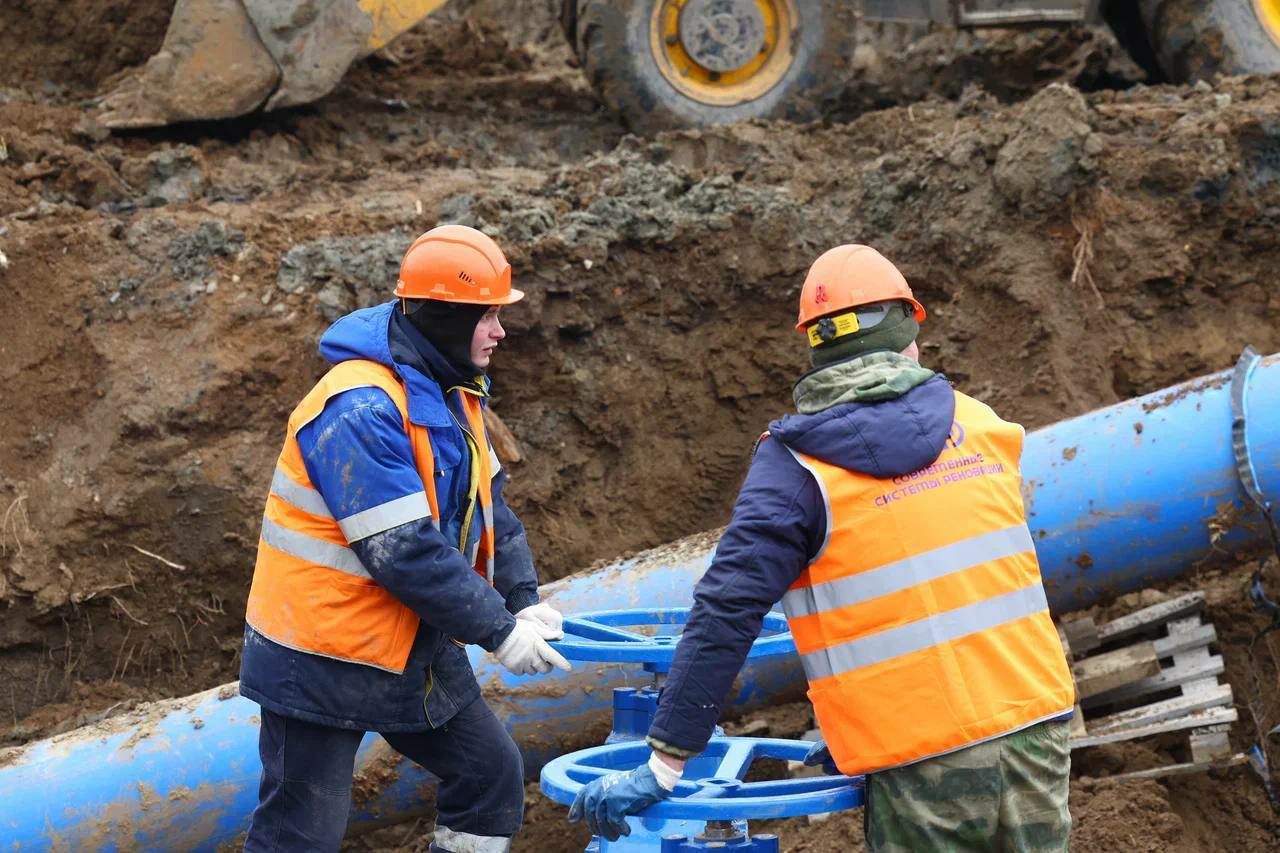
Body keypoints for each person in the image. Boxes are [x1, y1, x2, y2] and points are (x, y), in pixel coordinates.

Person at [569, 245, 1076, 851]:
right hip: (1034, 730)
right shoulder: (982, 425)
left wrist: (665, 761)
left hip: (919, 759)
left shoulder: (796, 468)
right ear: (909, 333)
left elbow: (727, 610)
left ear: (816, 347)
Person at [240, 224, 571, 852]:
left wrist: (524, 596)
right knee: (299, 836)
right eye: (488, 316)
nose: (500, 331)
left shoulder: (452, 393)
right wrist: (500, 631)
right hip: (320, 657)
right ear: (445, 318)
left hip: (407, 645)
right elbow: (404, 549)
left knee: (489, 776)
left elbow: (489, 507)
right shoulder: (359, 408)